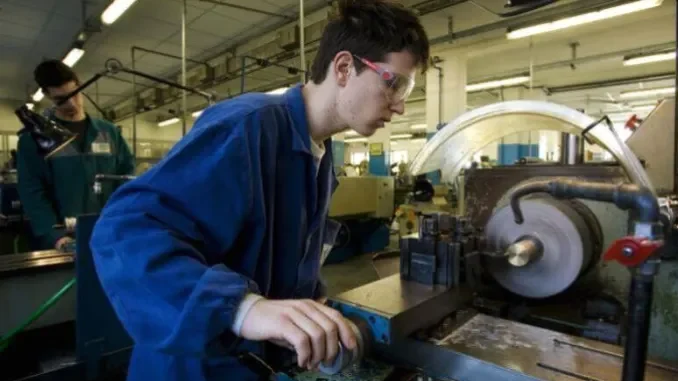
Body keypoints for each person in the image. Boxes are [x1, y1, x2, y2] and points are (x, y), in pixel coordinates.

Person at [89, 0, 430, 380]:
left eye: (407, 88)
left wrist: (306, 312)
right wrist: (242, 308)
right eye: (393, 82)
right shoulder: (248, 126)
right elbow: (124, 230)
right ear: (345, 67)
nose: (400, 104)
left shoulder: (317, 151)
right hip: (192, 365)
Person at [16, 60, 135, 250]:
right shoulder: (34, 141)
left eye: (74, 94)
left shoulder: (109, 132)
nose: (71, 104)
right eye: (60, 99)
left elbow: (127, 177)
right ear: (47, 95)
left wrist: (125, 220)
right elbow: (32, 193)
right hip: (65, 240)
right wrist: (55, 236)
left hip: (111, 232)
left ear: (80, 86)